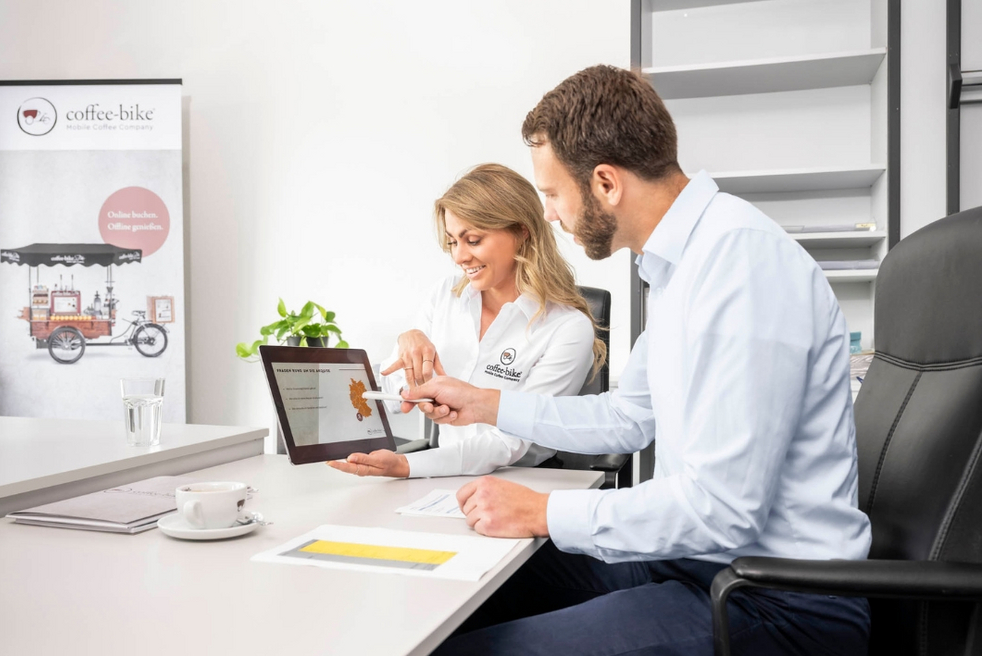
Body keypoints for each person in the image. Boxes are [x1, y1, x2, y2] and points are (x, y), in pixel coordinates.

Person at [401, 66, 873, 655]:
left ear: (605, 183)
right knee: (460, 592)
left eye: (553, 194)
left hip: (773, 601)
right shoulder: (681, 266)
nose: (549, 215)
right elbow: (628, 415)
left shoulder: (740, 263)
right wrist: (486, 404)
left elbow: (724, 508)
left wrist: (545, 511)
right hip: (694, 562)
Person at [328, 163, 606, 479]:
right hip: (442, 479)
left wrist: (409, 466)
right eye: (452, 242)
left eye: (472, 240)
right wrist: (408, 346)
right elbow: (394, 396)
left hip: (524, 481)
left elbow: (511, 442)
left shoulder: (567, 329)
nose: (459, 257)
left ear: (521, 232)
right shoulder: (445, 297)